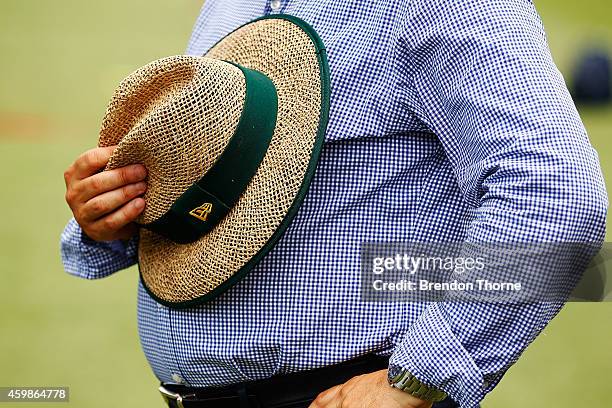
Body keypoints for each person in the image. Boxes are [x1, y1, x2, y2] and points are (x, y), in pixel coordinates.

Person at [61, 1, 608, 407]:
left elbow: (561, 196)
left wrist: (419, 377)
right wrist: (112, 215)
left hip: (345, 392)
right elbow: (222, 186)